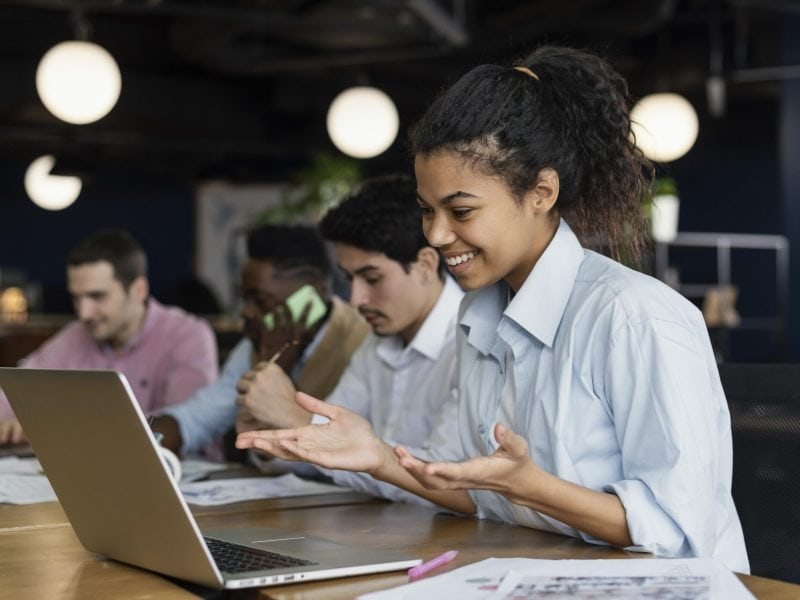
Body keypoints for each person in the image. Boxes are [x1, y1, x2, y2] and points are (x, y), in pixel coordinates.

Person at [236, 46, 749, 571]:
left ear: (541, 192)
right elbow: (481, 494)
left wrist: (532, 488)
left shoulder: (634, 319)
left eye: (461, 210)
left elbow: (676, 533)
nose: (436, 235)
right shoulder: (480, 316)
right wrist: (378, 457)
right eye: (427, 211)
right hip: (547, 575)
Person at [234, 174, 464, 503]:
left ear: (426, 264)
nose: (357, 300)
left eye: (372, 278)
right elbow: (338, 460)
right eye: (349, 279)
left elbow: (451, 485)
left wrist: (294, 419)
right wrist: (272, 438)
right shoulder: (376, 342)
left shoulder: (473, 342)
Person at [150, 224, 369, 458]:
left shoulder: (361, 342)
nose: (246, 312)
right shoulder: (255, 345)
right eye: (244, 298)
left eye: (261, 300)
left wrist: (278, 374)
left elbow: (340, 454)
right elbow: (197, 418)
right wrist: (140, 440)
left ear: (315, 290)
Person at [0, 229, 218, 445]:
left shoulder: (188, 336)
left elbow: (183, 426)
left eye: (97, 296)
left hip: (186, 476)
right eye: (76, 298)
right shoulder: (75, 336)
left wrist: (52, 424)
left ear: (138, 290)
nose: (84, 313)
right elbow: (14, 394)